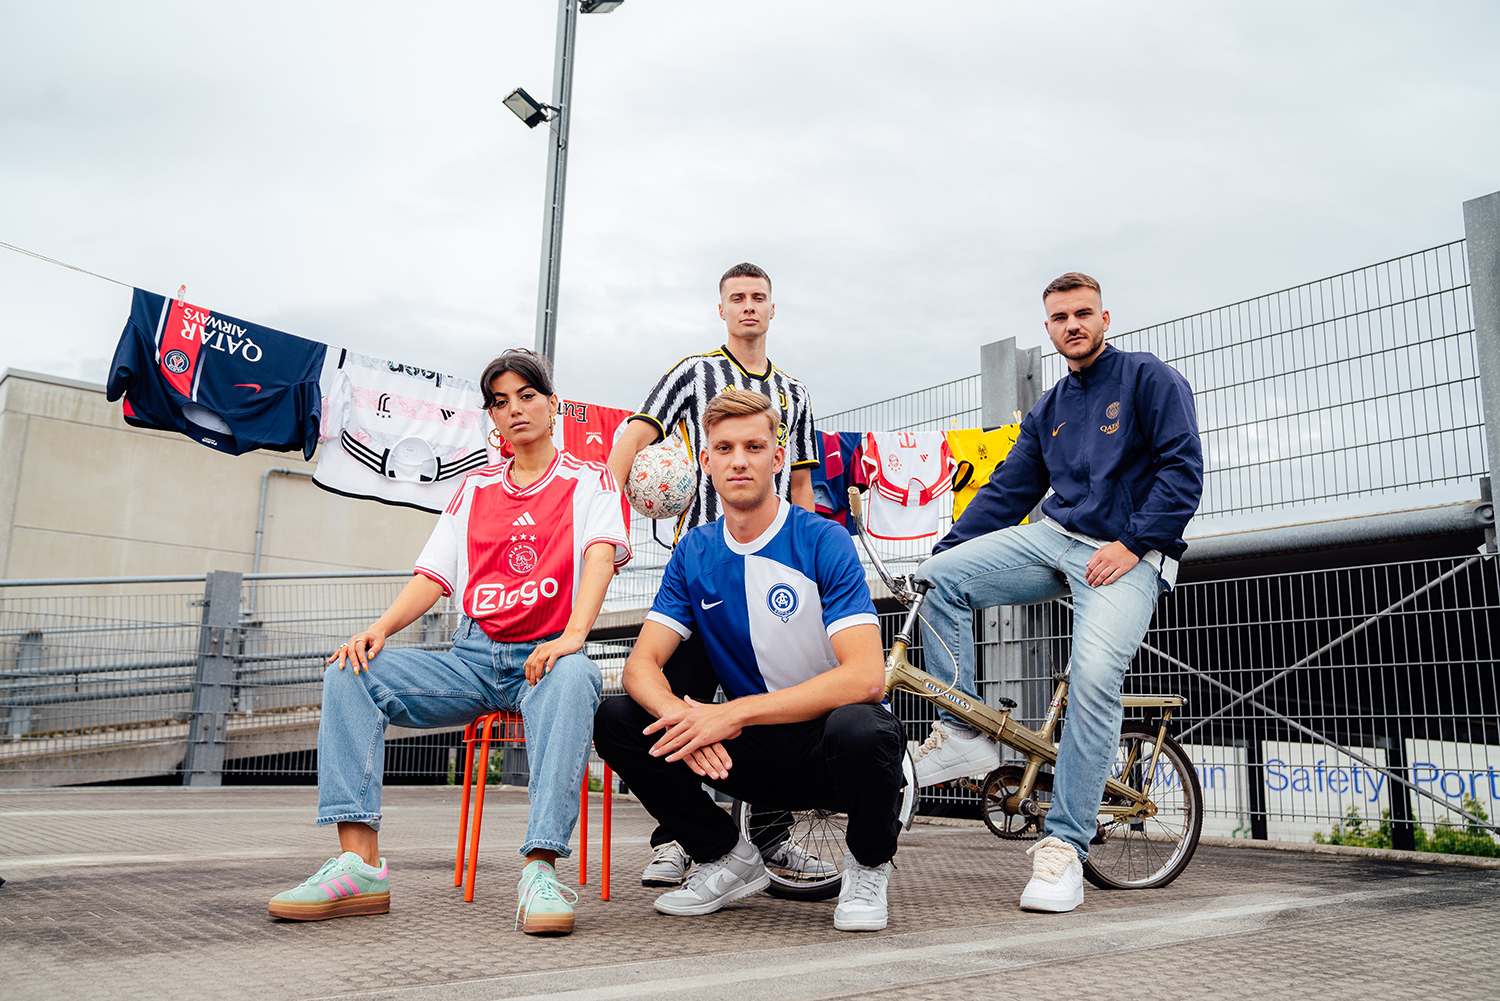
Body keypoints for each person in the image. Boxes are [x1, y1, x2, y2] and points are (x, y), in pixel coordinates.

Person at [268, 348, 631, 936]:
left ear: (553, 404)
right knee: (350, 671)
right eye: (501, 402)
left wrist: (573, 637)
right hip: (471, 658)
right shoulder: (474, 488)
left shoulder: (589, 481)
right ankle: (360, 867)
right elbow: (433, 577)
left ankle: (540, 871)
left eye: (527, 396)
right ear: (492, 416)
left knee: (575, 676)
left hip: (546, 656)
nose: (515, 410)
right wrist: (378, 630)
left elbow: (599, 558)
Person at [912, 272, 1202, 913]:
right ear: (1047, 328)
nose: (1073, 325)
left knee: (1094, 677)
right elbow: (1011, 488)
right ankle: (962, 732)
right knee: (940, 579)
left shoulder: (1149, 378)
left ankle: (1065, 847)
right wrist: (948, 547)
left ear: (1105, 318)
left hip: (1128, 551)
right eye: (1060, 317)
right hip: (1055, 537)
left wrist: (1133, 544)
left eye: (1083, 313)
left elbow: (1183, 472)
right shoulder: (1049, 407)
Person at [594, 389, 906, 932]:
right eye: (725, 448)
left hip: (825, 749)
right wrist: (685, 718)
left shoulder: (823, 539)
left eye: (754, 447)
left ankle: (868, 866)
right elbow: (639, 666)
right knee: (618, 720)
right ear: (706, 461)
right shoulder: (694, 551)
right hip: (747, 755)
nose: (739, 460)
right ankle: (725, 857)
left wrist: (729, 714)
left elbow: (865, 677)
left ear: (778, 457)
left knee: (864, 728)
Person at [607, 262, 822, 888]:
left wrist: (810, 558)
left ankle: (773, 839)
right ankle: (679, 837)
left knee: (773, 704)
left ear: (772, 308)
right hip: (702, 578)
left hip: (776, 581)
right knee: (674, 700)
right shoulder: (692, 373)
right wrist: (605, 517)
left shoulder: (795, 392)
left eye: (759, 297)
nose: (748, 306)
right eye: (737, 298)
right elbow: (634, 437)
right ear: (721, 309)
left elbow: (801, 486)